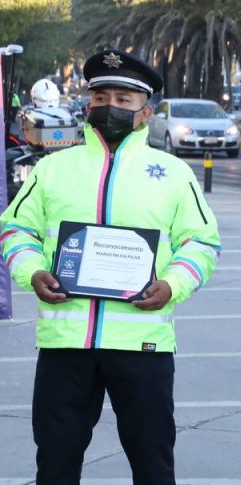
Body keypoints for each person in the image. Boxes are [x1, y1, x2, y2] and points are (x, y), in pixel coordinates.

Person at [0, 48, 220, 485]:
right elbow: (15, 230)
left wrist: (172, 285)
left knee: (153, 466)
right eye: (101, 97)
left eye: (124, 99)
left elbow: (202, 243)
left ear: (145, 112)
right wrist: (32, 273)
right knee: (56, 466)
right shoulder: (53, 169)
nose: (110, 107)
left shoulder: (173, 173)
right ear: (88, 103)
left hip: (142, 342)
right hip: (66, 344)